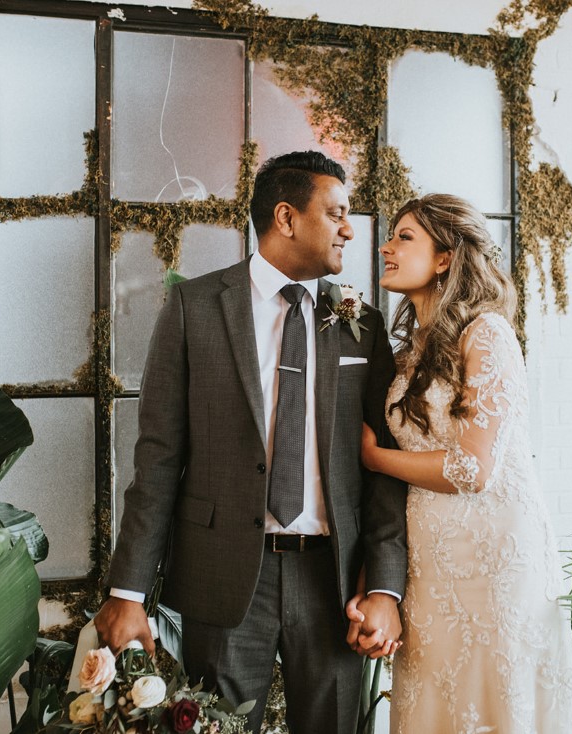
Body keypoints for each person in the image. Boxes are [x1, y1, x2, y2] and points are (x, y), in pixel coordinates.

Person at [94, 150, 408, 734]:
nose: (349, 229)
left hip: (336, 581)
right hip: (225, 576)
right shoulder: (195, 308)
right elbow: (158, 457)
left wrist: (386, 587)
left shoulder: (361, 323)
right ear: (286, 218)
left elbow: (384, 468)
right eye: (337, 212)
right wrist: (127, 591)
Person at [351, 194, 572, 733]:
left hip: (495, 560)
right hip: (431, 562)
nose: (386, 247)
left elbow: (472, 469)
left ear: (444, 257)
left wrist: (373, 457)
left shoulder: (487, 335)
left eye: (404, 236)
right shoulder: (410, 350)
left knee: (495, 704)